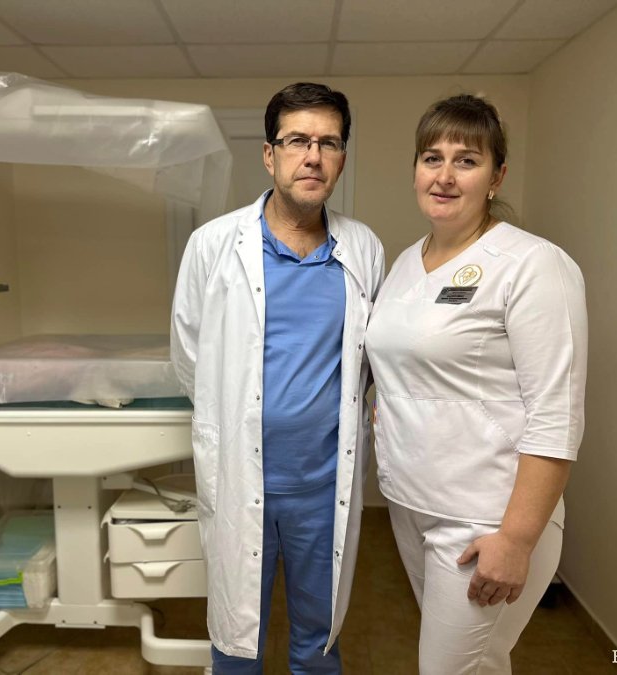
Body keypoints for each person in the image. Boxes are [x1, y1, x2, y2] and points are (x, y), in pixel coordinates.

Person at [365, 94, 588, 674]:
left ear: (497, 176)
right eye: (431, 158)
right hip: (412, 504)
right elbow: (403, 364)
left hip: (486, 516)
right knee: (480, 664)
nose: (444, 175)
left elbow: (557, 415)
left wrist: (516, 540)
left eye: (466, 160)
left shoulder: (532, 265)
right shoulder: (405, 262)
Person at [171, 82, 384, 674]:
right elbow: (189, 357)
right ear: (270, 155)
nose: (312, 156)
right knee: (237, 637)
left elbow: (370, 362)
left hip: (323, 484)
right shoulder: (213, 245)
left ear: (341, 158)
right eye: (297, 141)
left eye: (328, 143)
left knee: (318, 639)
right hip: (242, 477)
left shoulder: (362, 248)